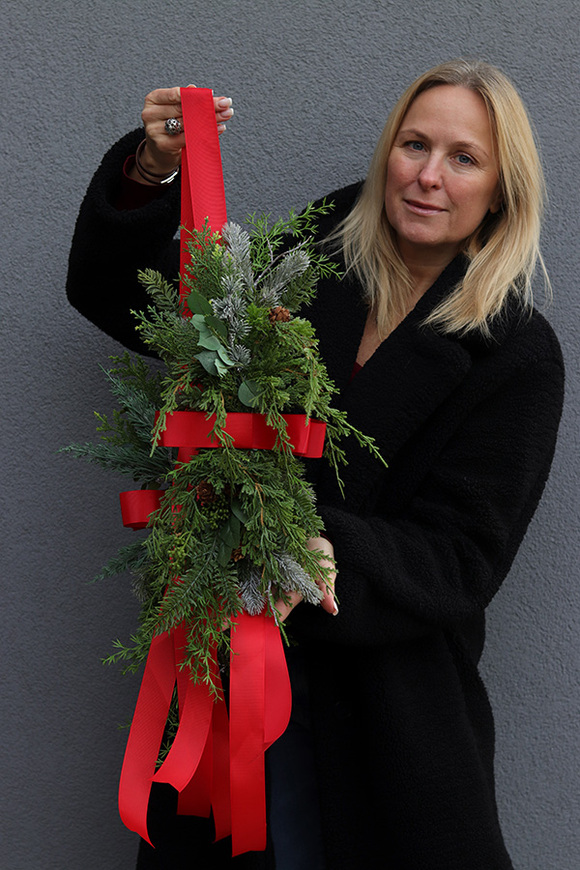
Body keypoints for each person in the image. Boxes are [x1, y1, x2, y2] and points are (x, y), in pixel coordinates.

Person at [67, 60, 564, 870]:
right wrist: (150, 172)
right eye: (414, 144)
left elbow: (464, 556)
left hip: (390, 717)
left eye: (463, 158)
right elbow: (137, 306)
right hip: (230, 680)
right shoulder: (307, 262)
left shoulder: (515, 353)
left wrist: (329, 549)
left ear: (501, 190)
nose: (428, 176)